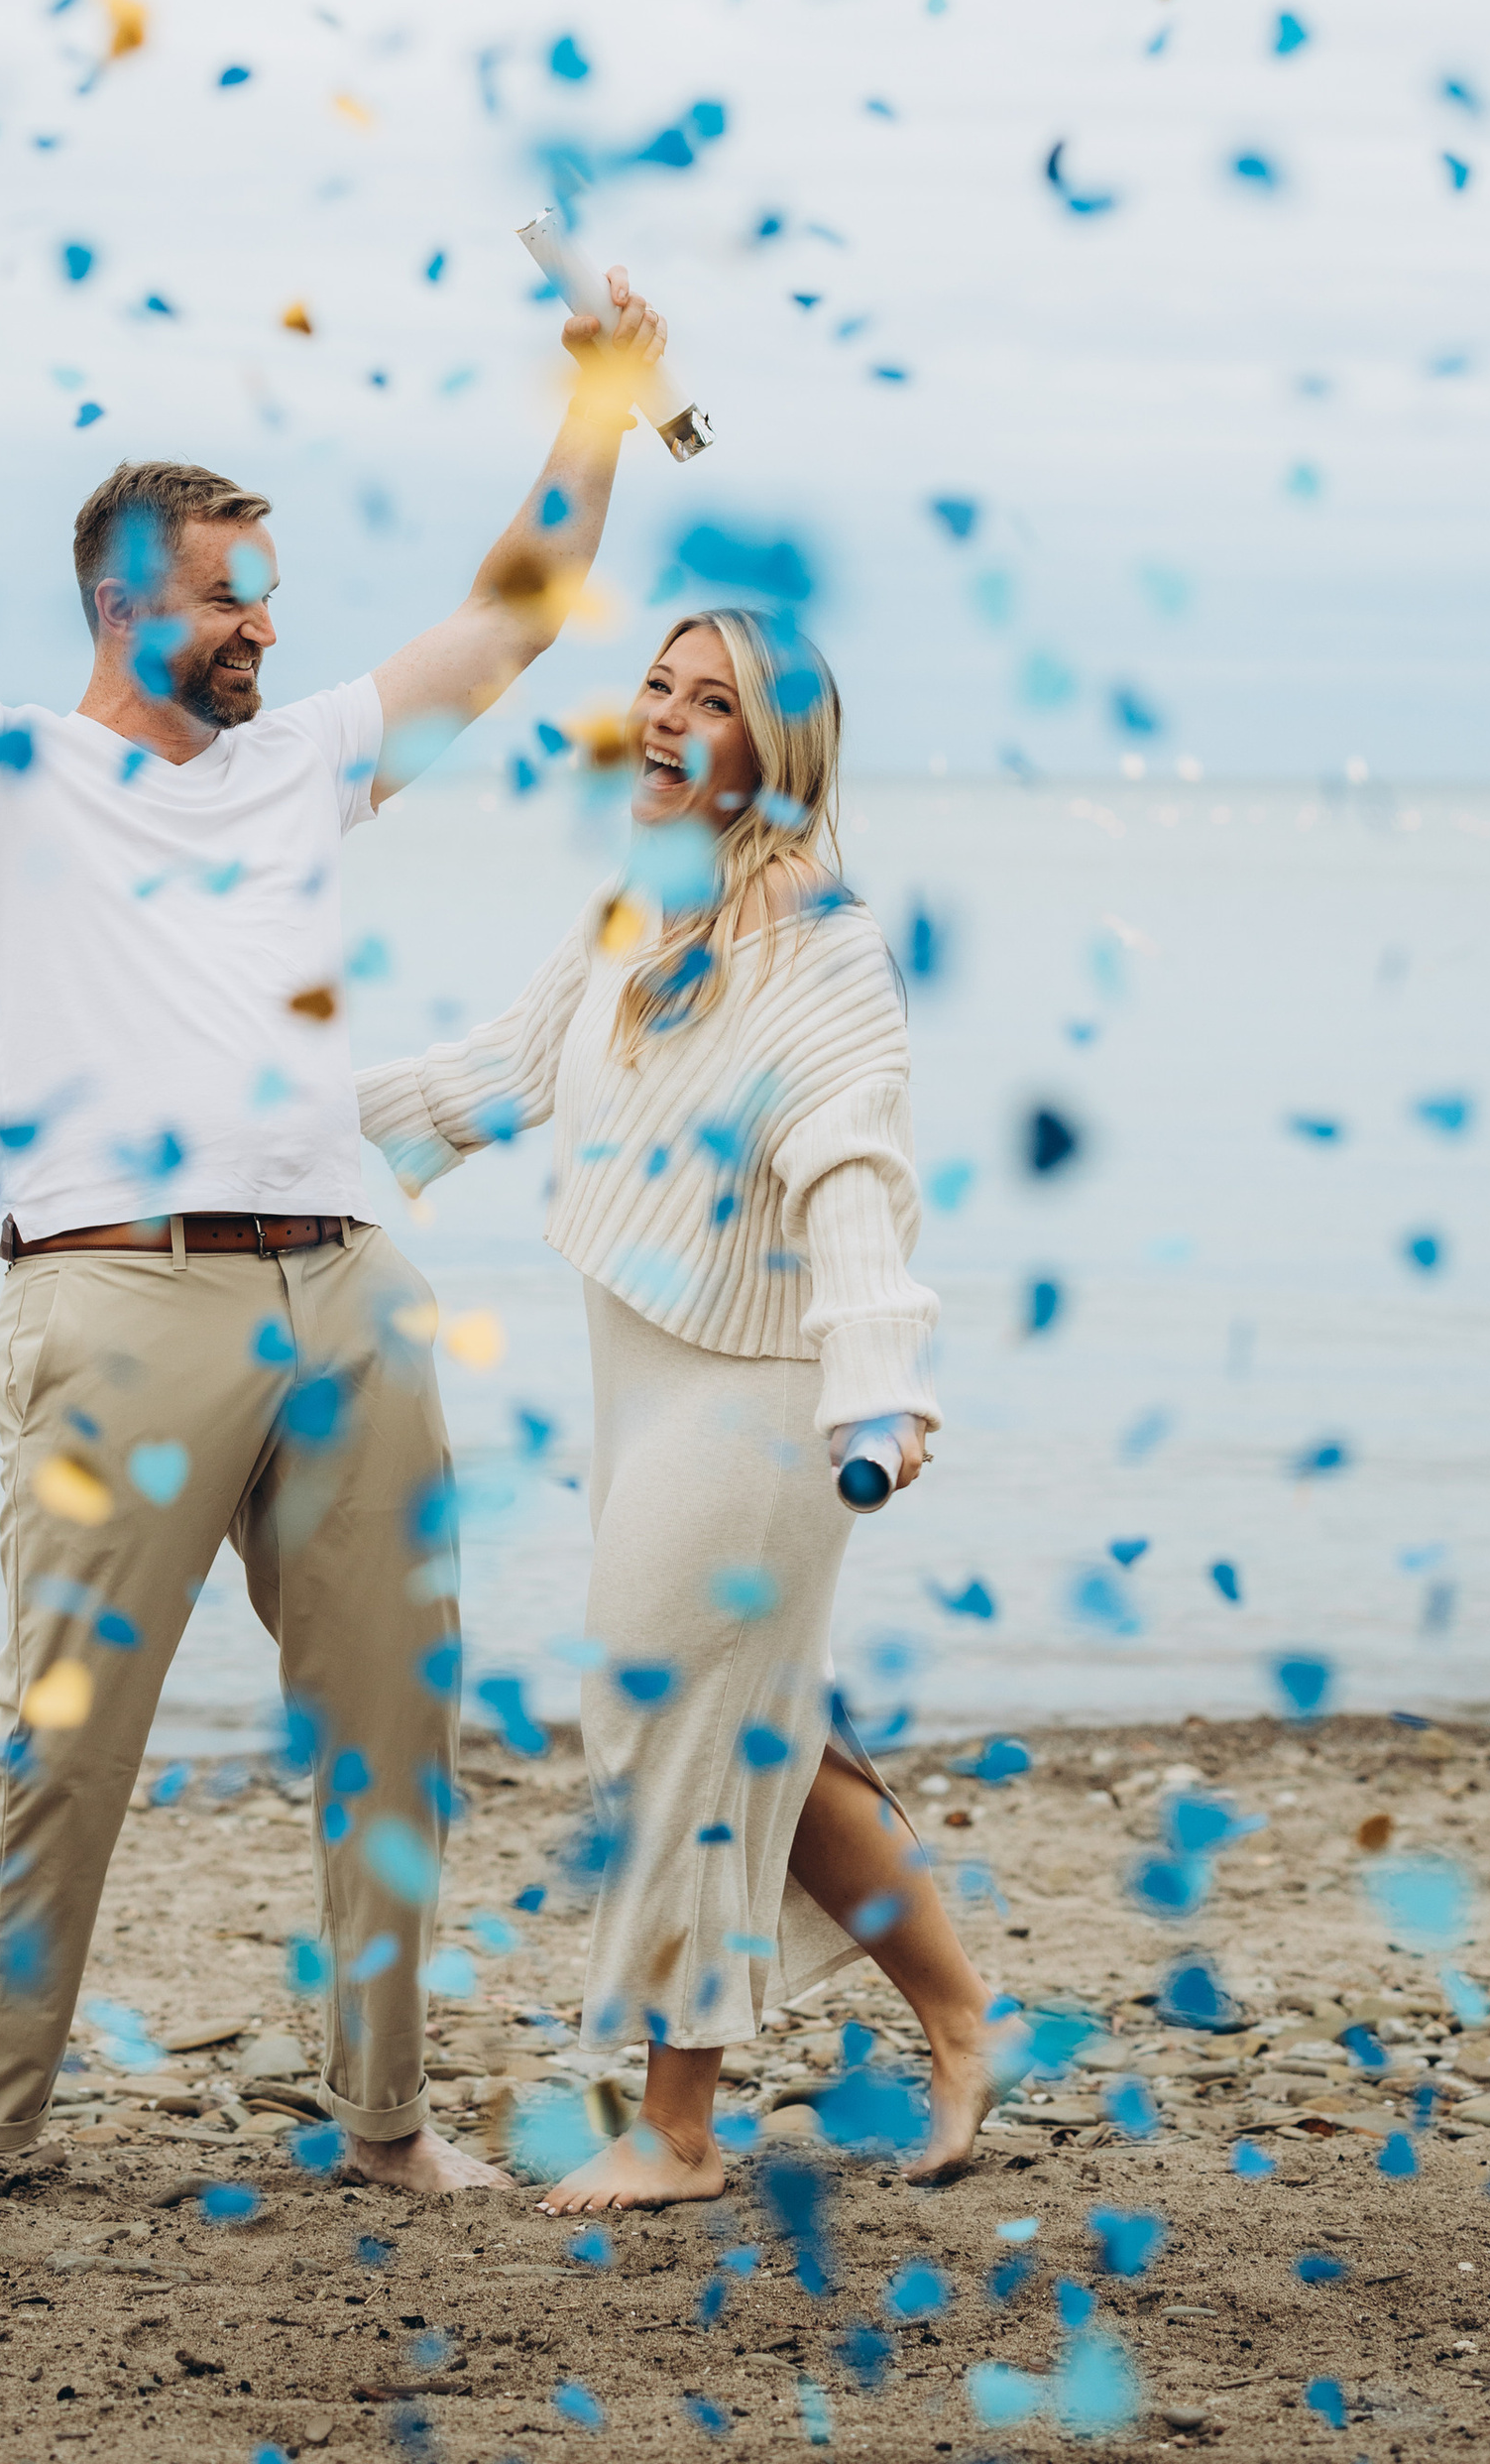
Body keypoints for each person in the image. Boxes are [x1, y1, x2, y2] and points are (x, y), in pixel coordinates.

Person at [0, 123, 670, 2218]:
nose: (266, 627)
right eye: (237, 593)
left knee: (390, 1734)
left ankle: (385, 2120)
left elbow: (515, 616)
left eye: (272, 596)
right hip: (114, 1293)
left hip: (343, 1282)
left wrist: (597, 406)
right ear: (131, 599)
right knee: (59, 1736)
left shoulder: (302, 761)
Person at [355, 608, 995, 2210]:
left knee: (663, 1717)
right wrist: (275, 1121)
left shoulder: (828, 952)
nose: (662, 717)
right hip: (644, 1381)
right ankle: (970, 2019)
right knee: (753, 1730)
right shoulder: (638, 908)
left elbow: (855, 1171)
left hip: (772, 1407)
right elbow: (506, 1073)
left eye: (710, 702)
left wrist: (881, 1387)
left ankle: (682, 2128)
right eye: (655, 683)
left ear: (775, 752)